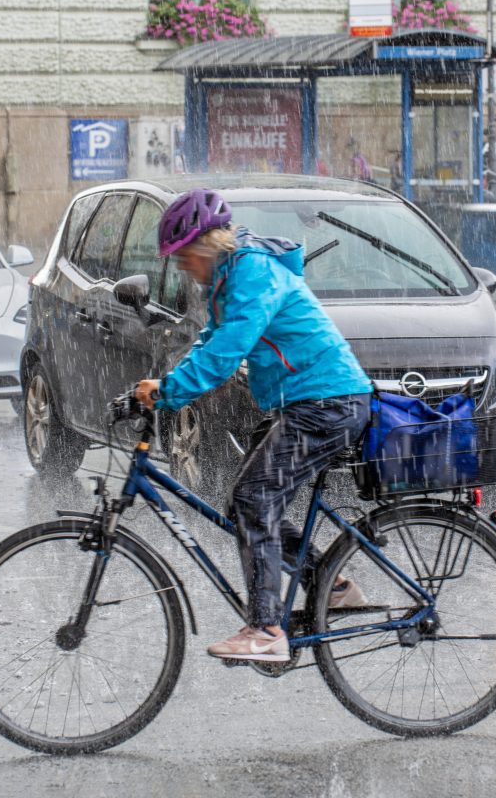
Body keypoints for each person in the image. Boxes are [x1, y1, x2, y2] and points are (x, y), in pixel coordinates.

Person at [132, 189, 375, 663]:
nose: (183, 268)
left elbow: (226, 354)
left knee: (254, 499)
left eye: (184, 259)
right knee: (246, 500)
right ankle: (332, 582)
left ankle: (266, 629)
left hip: (328, 403)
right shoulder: (229, 279)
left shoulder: (253, 273)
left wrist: (169, 393)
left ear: (206, 246)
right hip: (307, 401)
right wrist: (164, 384)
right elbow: (211, 341)